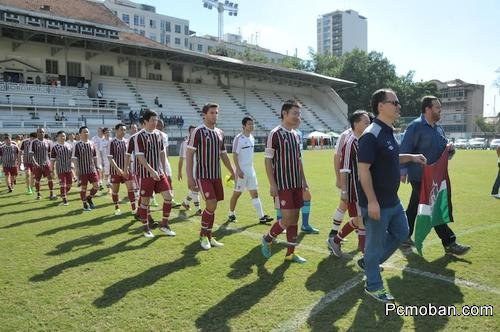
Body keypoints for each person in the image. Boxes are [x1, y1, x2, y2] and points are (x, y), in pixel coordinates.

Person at [357, 88, 427, 303]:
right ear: (381, 106)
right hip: (377, 202)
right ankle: (374, 285)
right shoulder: (371, 134)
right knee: (374, 246)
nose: (398, 106)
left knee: (402, 232)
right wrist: (371, 201)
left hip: (392, 200)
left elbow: (391, 157)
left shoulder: (387, 131)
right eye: (394, 103)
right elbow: (363, 170)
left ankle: (369, 263)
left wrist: (412, 157)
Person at [400, 96, 471, 255]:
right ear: (427, 109)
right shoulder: (415, 126)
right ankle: (449, 242)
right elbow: (404, 148)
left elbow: (443, 151)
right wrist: (402, 171)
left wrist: (450, 149)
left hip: (435, 178)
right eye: (438, 107)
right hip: (419, 176)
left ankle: (403, 236)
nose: (440, 110)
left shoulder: (439, 128)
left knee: (413, 208)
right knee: (434, 208)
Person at [260, 100, 310, 263]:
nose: (298, 116)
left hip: (296, 184)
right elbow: (268, 160)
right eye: (294, 113)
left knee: (295, 218)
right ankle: (267, 238)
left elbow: (299, 160)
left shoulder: (296, 135)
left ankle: (290, 253)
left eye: (299, 113)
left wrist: (305, 183)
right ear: (285, 114)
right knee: (287, 218)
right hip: (283, 184)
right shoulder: (275, 133)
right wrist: (272, 184)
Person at [186, 102, 235, 250]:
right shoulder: (198, 132)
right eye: (212, 113)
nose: (215, 115)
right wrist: (190, 177)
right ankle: (203, 235)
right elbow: (189, 155)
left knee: (213, 207)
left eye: (216, 113)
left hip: (216, 176)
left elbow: (223, 154)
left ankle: (209, 235)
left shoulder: (219, 132)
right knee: (211, 203)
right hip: (203, 175)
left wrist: (233, 170)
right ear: (204, 115)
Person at [327, 110, 371, 257]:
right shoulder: (350, 141)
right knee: (361, 220)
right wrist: (344, 190)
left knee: (360, 220)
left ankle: (336, 240)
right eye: (366, 122)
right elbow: (345, 168)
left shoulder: (366, 139)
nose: (368, 124)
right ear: (356, 124)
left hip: (366, 186)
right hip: (355, 188)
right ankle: (366, 257)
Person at [133, 109, 176, 238]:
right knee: (145, 202)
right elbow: (140, 157)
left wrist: (164, 169)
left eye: (156, 120)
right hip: (146, 174)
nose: (155, 122)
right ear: (145, 121)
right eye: (153, 120)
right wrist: (152, 171)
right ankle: (146, 228)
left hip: (159, 172)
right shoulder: (139, 136)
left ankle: (164, 224)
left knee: (168, 197)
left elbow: (162, 152)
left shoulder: (159, 134)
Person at [227, 117, 273, 224]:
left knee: (255, 194)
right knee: (237, 194)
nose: (252, 126)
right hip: (241, 171)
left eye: (253, 124)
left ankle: (261, 217)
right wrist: (238, 170)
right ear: (243, 126)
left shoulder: (252, 137)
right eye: (249, 124)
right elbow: (234, 155)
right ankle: (231, 214)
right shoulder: (239, 138)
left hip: (250, 170)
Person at [108, 123, 136, 215]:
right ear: (116, 130)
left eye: (124, 130)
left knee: (131, 189)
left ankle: (134, 209)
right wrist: (118, 169)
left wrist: (126, 168)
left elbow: (129, 157)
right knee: (115, 191)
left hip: (126, 170)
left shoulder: (127, 141)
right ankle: (117, 208)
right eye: (121, 130)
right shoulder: (112, 142)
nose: (123, 131)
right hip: (115, 171)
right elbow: (110, 158)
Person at [72, 126, 100, 211]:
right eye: (84, 132)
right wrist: (77, 170)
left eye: (87, 132)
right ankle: (84, 204)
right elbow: (75, 158)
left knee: (96, 186)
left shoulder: (92, 143)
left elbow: (95, 156)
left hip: (92, 169)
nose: (86, 133)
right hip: (82, 170)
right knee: (84, 188)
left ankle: (89, 198)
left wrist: (97, 166)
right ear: (80, 134)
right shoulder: (77, 144)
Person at [155, 119, 181, 208]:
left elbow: (166, 150)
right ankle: (146, 201)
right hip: (155, 162)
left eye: (161, 126)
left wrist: (168, 161)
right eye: (158, 125)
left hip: (165, 161)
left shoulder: (165, 135)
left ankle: (171, 200)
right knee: (153, 182)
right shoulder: (152, 135)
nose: (160, 127)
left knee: (169, 179)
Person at [178, 125, 201, 215]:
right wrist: (179, 172)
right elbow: (181, 158)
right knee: (195, 189)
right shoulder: (185, 143)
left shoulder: (199, 142)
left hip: (199, 168)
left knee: (195, 189)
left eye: (195, 131)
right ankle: (198, 210)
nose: (193, 132)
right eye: (192, 131)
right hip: (191, 169)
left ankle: (185, 203)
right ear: (189, 132)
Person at [29, 127, 56, 200]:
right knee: (37, 180)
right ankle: (38, 194)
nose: (42, 133)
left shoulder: (48, 142)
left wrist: (51, 163)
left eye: (43, 132)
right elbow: (31, 154)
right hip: (38, 164)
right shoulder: (33, 142)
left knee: (50, 178)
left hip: (47, 163)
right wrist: (35, 162)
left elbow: (50, 153)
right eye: (40, 132)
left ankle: (51, 193)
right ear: (37, 133)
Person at [50, 131, 74, 206]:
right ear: (57, 137)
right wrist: (52, 170)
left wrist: (73, 165)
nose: (62, 137)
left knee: (70, 184)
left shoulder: (69, 146)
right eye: (60, 136)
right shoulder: (55, 148)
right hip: (60, 169)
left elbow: (72, 158)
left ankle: (63, 193)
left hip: (68, 168)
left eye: (63, 136)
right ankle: (64, 199)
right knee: (63, 184)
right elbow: (52, 160)